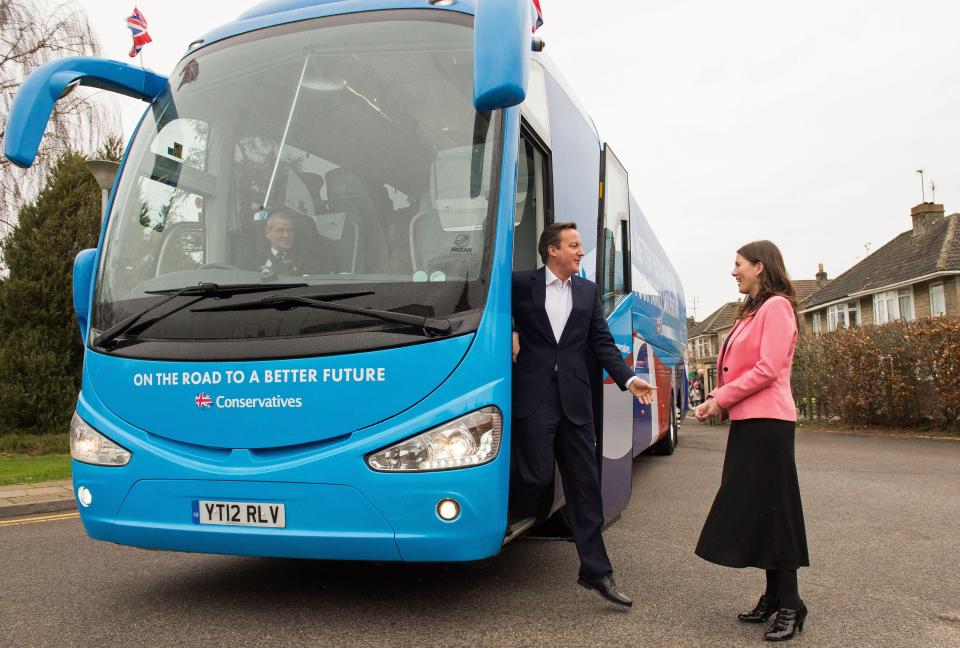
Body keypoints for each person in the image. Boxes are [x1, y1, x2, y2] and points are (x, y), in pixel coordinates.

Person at [510, 222, 655, 608]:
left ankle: (596, 573)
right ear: (551, 250)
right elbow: (490, 311)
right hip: (534, 396)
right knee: (535, 476)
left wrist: (628, 379)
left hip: (576, 402)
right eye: (573, 246)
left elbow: (602, 344)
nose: (579, 252)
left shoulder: (588, 293)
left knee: (585, 488)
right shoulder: (520, 284)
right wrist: (510, 329)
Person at [694, 240, 809, 642]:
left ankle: (792, 603)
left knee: (776, 511)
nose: (733, 271)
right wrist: (722, 403)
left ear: (760, 267)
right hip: (750, 422)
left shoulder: (776, 307)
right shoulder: (752, 310)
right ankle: (775, 595)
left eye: (738, 264)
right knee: (760, 509)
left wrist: (718, 398)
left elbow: (768, 368)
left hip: (769, 422)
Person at [256, 207, 330, 275]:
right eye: (280, 230)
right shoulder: (255, 258)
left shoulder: (307, 258)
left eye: (290, 230)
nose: (286, 235)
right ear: (268, 233)